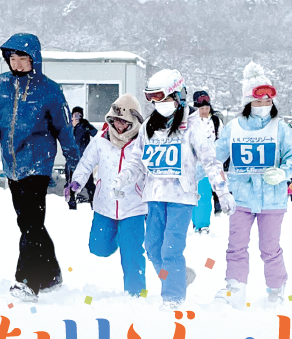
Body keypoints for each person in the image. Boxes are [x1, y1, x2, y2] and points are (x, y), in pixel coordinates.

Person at [0, 33, 82, 299]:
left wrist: (77, 166)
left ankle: (26, 280)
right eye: (12, 59)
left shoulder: (50, 89)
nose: (16, 64)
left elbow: (64, 130)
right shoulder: (0, 84)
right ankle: (51, 274)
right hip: (12, 164)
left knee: (31, 222)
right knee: (28, 222)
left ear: (34, 59)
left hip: (38, 163)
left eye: (22, 59)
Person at [134, 70, 226, 305]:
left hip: (181, 197)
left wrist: (222, 191)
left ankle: (173, 299)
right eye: (154, 100)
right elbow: (136, 158)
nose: (159, 104)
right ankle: (177, 278)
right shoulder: (149, 126)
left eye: (163, 98)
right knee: (153, 247)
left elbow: (210, 161)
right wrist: (121, 181)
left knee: (170, 250)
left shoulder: (193, 125)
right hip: (155, 196)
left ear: (178, 96)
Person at [214, 62, 292, 308]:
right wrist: (192, 174)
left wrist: (282, 173)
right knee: (236, 245)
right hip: (240, 197)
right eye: (258, 101)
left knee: (270, 247)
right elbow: (214, 158)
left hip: (272, 200)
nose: (264, 106)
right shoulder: (233, 128)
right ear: (247, 103)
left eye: (267, 101)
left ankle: (276, 288)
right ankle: (235, 287)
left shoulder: (281, 128)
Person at [72, 94, 150, 297]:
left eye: (124, 121)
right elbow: (87, 162)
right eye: (115, 120)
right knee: (98, 247)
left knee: (132, 253)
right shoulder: (101, 139)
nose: (119, 125)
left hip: (133, 206)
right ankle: (116, 237)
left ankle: (136, 293)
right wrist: (77, 182)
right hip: (104, 204)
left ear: (134, 121)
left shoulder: (143, 142)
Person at [191, 90, 223, 233]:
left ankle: (203, 224)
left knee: (205, 195)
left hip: (209, 164)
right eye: (201, 108)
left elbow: (222, 141)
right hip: (192, 164)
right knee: (193, 196)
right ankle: (195, 222)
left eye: (206, 107)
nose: (204, 111)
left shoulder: (216, 122)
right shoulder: (190, 122)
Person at [66, 107, 92, 211]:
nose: (77, 117)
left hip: (84, 160)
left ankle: (94, 204)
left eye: (79, 115)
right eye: (75, 115)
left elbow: (95, 133)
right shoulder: (68, 127)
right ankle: (72, 207)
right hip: (71, 160)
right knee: (70, 183)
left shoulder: (85, 125)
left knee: (89, 184)